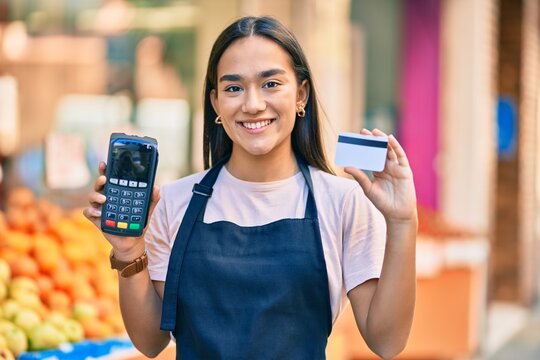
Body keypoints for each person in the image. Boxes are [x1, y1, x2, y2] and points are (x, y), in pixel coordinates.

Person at [84, 16, 417, 360]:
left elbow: (387, 342)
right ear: (215, 104)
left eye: (271, 84)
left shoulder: (343, 202)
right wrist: (128, 252)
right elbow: (150, 342)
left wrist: (403, 222)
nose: (253, 104)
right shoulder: (173, 201)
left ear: (301, 94)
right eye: (233, 88)